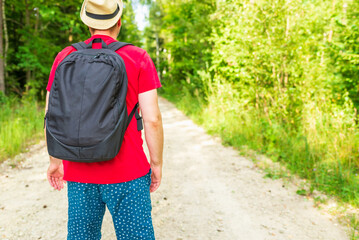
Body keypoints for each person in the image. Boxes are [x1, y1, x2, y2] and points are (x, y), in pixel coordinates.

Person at [44, 0, 164, 239]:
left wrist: (55, 161)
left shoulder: (65, 56)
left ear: (87, 24)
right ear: (118, 22)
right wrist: (156, 163)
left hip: (78, 171)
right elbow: (152, 120)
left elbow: (52, 114)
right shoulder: (137, 57)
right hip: (128, 172)